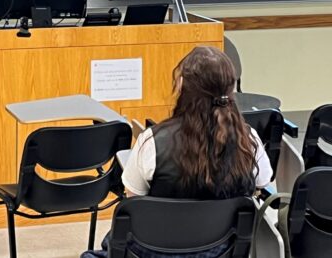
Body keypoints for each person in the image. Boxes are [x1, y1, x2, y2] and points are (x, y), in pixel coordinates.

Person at [84, 45, 272, 258]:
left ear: (182, 86)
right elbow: (262, 183)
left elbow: (135, 200)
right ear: (231, 89)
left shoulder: (152, 141)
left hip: (154, 250)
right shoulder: (249, 141)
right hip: (220, 251)